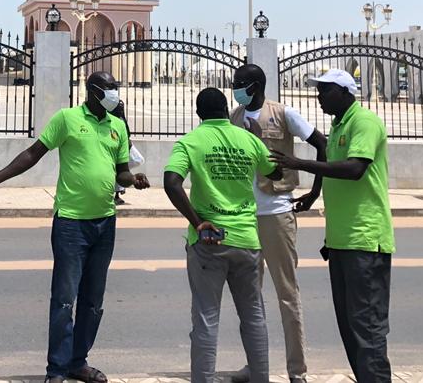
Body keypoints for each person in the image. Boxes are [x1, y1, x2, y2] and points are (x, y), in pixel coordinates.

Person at [0, 72, 149, 383]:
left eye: (115, 88)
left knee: (93, 302)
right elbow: (33, 154)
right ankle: (57, 369)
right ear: (91, 92)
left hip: (105, 223)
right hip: (70, 223)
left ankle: (79, 362)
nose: (114, 94)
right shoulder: (67, 118)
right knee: (64, 299)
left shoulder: (117, 126)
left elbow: (121, 173)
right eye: (107, 89)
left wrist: (135, 180)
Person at [269, 69, 394, 383]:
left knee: (367, 327)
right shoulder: (339, 124)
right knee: (350, 327)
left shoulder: (363, 122)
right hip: (341, 241)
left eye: (325, 91)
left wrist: (299, 164)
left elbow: (354, 169)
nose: (319, 97)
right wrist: (313, 193)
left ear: (344, 91)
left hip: (365, 241)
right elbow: (330, 161)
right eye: (318, 91)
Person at [163, 87, 281, 383]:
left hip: (209, 241)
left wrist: (197, 221)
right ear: (227, 109)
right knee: (253, 316)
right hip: (247, 241)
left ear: (198, 113)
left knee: (206, 318)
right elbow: (276, 173)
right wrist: (258, 139)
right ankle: (261, 378)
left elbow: (171, 183)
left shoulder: (190, 142)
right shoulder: (248, 140)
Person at [228, 64, 328, 383]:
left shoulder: (284, 114)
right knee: (249, 297)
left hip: (277, 211)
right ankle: (255, 366)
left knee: (287, 293)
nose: (236, 88)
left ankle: (296, 370)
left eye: (240, 84)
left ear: (256, 86)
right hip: (243, 216)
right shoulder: (233, 118)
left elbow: (321, 143)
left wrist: (314, 191)